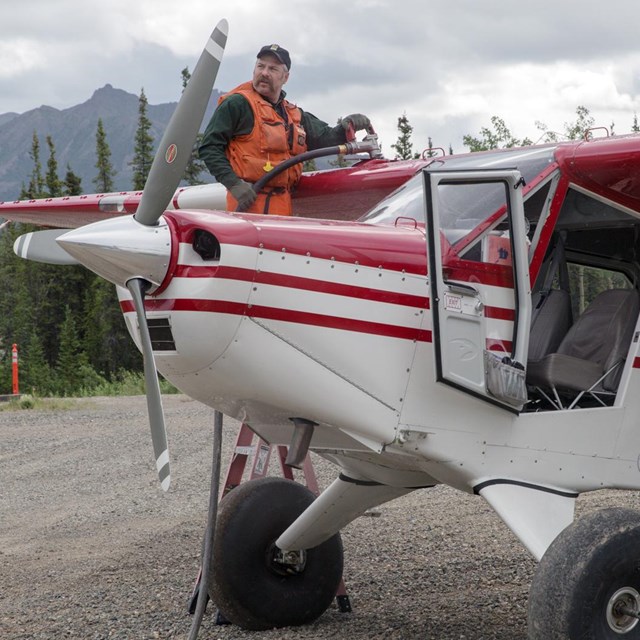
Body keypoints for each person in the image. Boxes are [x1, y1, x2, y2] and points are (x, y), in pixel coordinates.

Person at [198, 44, 371, 215]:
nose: (264, 73)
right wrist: (233, 184)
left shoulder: (293, 114)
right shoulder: (237, 104)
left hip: (282, 207)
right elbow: (210, 147)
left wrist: (347, 125)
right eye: (260, 66)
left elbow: (326, 139)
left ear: (285, 77)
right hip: (247, 207)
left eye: (273, 69)